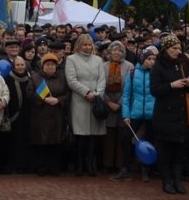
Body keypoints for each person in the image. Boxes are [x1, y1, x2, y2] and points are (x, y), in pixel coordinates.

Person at [150, 34, 189, 195]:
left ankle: (177, 181)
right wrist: (171, 85)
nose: (178, 51)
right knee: (165, 150)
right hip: (164, 115)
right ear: (166, 49)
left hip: (181, 114)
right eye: (174, 48)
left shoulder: (182, 63)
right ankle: (167, 181)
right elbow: (154, 90)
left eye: (179, 48)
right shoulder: (158, 66)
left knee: (179, 150)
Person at [65, 33, 106, 177]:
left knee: (93, 136)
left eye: (89, 45)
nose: (87, 47)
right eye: (84, 45)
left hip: (95, 101)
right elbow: (71, 80)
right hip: (80, 101)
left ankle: (91, 164)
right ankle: (79, 164)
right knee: (81, 136)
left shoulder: (98, 60)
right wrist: (86, 92)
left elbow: (102, 79)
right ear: (79, 45)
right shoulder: (71, 59)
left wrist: (97, 94)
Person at [28, 52, 68, 176]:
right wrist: (43, 99)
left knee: (56, 143)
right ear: (42, 66)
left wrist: (58, 100)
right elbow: (29, 93)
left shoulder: (63, 77)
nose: (50, 66)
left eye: (52, 64)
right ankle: (41, 168)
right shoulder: (35, 78)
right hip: (40, 115)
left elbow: (68, 94)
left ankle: (55, 168)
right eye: (47, 64)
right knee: (41, 143)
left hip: (57, 115)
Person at [121, 47, 156, 182]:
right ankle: (125, 167)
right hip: (136, 113)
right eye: (149, 59)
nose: (152, 61)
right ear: (142, 60)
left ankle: (146, 169)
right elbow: (126, 95)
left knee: (150, 140)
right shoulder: (133, 73)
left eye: (153, 59)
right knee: (125, 138)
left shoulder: (156, 74)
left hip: (152, 114)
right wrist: (126, 115)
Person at [104, 40, 134, 178]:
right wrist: (108, 101)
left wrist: (120, 103)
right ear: (109, 52)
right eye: (114, 50)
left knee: (122, 135)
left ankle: (120, 165)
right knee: (109, 136)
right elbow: (99, 85)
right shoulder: (103, 66)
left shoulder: (129, 66)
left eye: (120, 50)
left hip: (123, 105)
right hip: (108, 104)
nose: (116, 52)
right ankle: (108, 164)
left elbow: (130, 87)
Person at [3, 56, 33, 173]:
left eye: (22, 65)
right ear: (14, 66)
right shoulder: (7, 79)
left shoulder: (32, 78)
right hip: (14, 115)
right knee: (14, 141)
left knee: (27, 141)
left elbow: (42, 92)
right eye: (18, 65)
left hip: (29, 114)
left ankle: (27, 165)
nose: (20, 67)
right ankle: (14, 165)